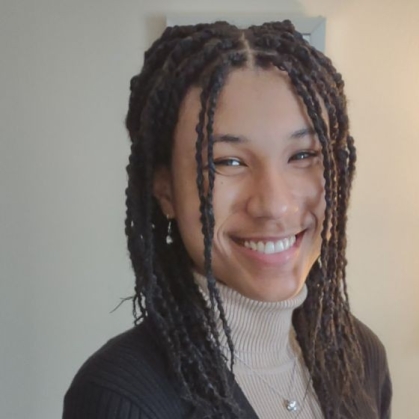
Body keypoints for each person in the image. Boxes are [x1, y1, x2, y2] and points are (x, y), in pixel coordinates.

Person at [62, 20, 392, 419]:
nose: (274, 204)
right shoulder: (122, 396)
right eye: (228, 161)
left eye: (302, 155)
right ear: (165, 189)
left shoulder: (361, 357)